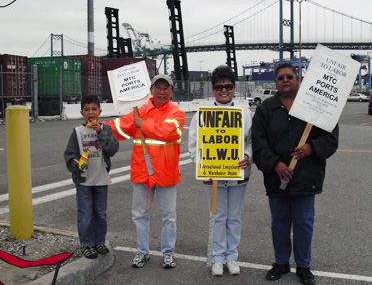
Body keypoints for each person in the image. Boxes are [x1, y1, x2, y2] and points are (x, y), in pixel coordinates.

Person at [252, 63, 339, 285]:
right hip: (277, 178)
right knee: (279, 224)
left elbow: (330, 138)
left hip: (306, 177)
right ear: (275, 81)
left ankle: (303, 266)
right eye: (280, 77)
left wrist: (312, 148)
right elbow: (259, 143)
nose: (285, 80)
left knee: (303, 224)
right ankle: (281, 262)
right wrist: (275, 165)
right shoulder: (266, 109)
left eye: (289, 76)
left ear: (298, 78)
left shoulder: (315, 106)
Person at [103, 74, 185, 269]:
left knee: (169, 216)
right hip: (143, 172)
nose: (162, 91)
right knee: (140, 214)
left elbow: (168, 132)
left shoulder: (177, 113)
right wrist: (99, 127)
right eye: (158, 87)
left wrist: (143, 125)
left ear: (172, 91)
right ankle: (142, 251)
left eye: (166, 88)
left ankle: (168, 252)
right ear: (151, 90)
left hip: (166, 173)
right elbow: (119, 127)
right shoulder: (139, 111)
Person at [188, 65, 253, 276]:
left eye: (228, 86)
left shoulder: (244, 113)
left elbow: (251, 142)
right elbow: (193, 145)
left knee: (233, 217)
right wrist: (202, 165)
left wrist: (247, 157)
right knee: (217, 216)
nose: (223, 90)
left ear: (234, 87)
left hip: (238, 175)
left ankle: (231, 256)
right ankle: (217, 257)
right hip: (212, 174)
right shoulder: (201, 114)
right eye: (219, 86)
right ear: (213, 88)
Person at [64, 95, 119, 259]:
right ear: (82, 113)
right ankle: (87, 244)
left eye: (94, 109)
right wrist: (76, 164)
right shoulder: (77, 132)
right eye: (87, 109)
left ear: (100, 111)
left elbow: (112, 149)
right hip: (84, 181)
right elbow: (69, 155)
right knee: (85, 213)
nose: (91, 112)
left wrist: (100, 132)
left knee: (100, 213)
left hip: (101, 179)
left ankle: (99, 241)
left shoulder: (105, 129)